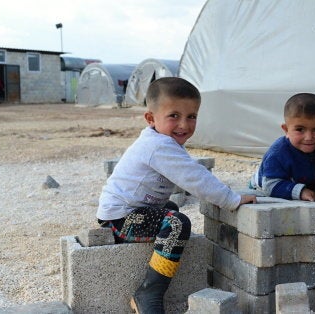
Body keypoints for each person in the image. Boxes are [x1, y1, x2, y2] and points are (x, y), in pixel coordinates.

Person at [96, 77, 257, 314]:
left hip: (132, 214)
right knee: (176, 223)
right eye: (174, 116)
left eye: (191, 116)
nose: (184, 124)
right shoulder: (157, 145)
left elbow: (191, 175)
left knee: (171, 208)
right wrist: (230, 199)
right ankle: (149, 292)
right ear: (151, 118)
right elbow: (194, 177)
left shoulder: (162, 140)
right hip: (120, 219)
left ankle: (159, 263)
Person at [249, 93, 315, 201]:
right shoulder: (278, 152)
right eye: (300, 129)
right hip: (263, 185)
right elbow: (270, 185)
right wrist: (300, 192)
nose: (309, 137)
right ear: (286, 130)